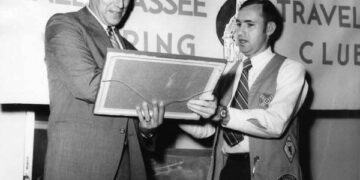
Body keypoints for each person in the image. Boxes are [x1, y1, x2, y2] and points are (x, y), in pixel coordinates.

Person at [182, 0, 308, 179]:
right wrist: (176, 115)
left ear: (270, 29)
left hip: (270, 172)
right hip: (230, 169)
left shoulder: (290, 69)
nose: (240, 32)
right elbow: (210, 131)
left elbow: (275, 123)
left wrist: (221, 113)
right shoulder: (228, 71)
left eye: (250, 25)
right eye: (238, 24)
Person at [44, 0, 164, 179]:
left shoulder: (128, 48)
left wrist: (147, 129)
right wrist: (151, 92)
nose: (121, 4)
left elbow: (134, 121)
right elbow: (90, 85)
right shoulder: (64, 25)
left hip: (128, 168)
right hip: (78, 165)